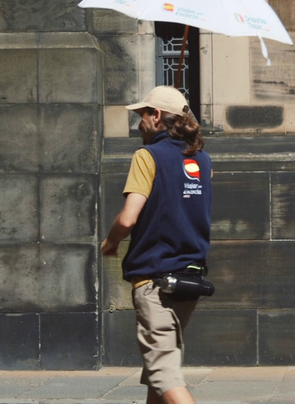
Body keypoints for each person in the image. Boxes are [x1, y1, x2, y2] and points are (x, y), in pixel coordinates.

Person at [101, 86, 211, 404]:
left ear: (157, 116)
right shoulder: (202, 160)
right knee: (159, 372)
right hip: (190, 277)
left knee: (165, 374)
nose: (139, 124)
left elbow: (128, 218)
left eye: (142, 115)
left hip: (155, 279)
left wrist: (111, 241)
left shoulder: (147, 156)